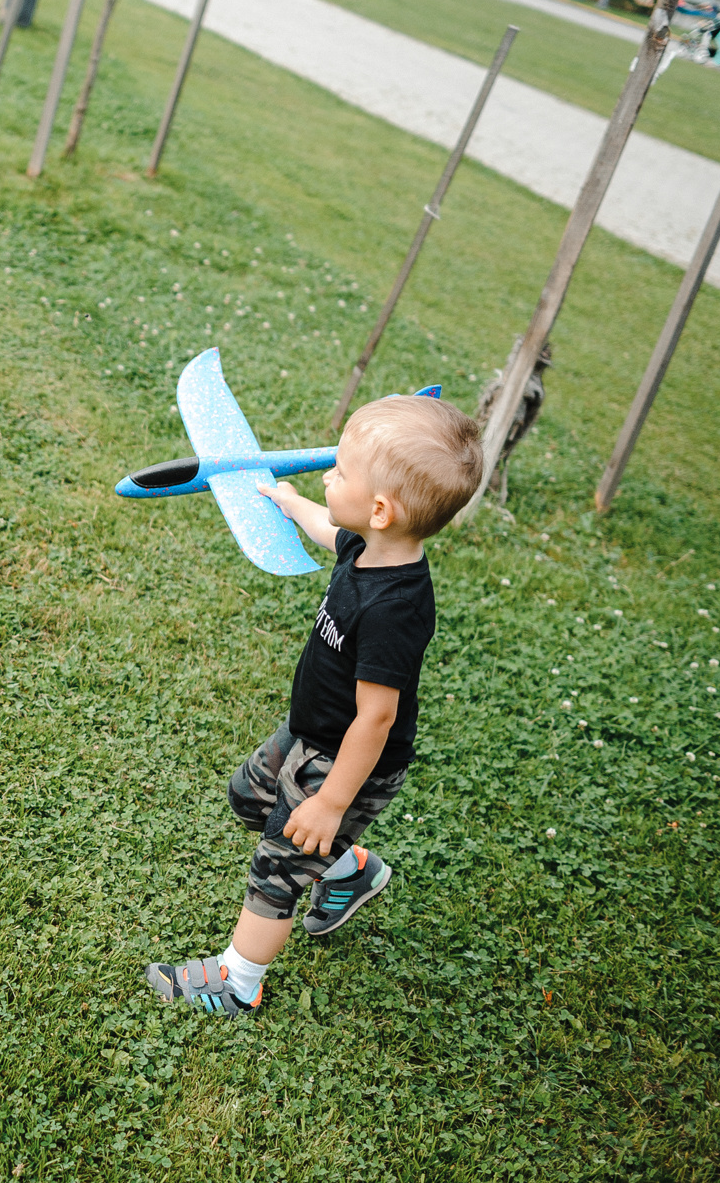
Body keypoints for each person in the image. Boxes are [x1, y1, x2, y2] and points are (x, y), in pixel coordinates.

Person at [144, 395, 484, 1015]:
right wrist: (288, 501)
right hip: (309, 732)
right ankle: (349, 870)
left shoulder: (394, 609)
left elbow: (377, 719)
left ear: (381, 509)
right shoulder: (370, 545)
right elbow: (333, 534)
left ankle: (237, 981)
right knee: (248, 798)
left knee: (276, 867)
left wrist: (331, 802)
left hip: (344, 761)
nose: (328, 475)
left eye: (341, 472)